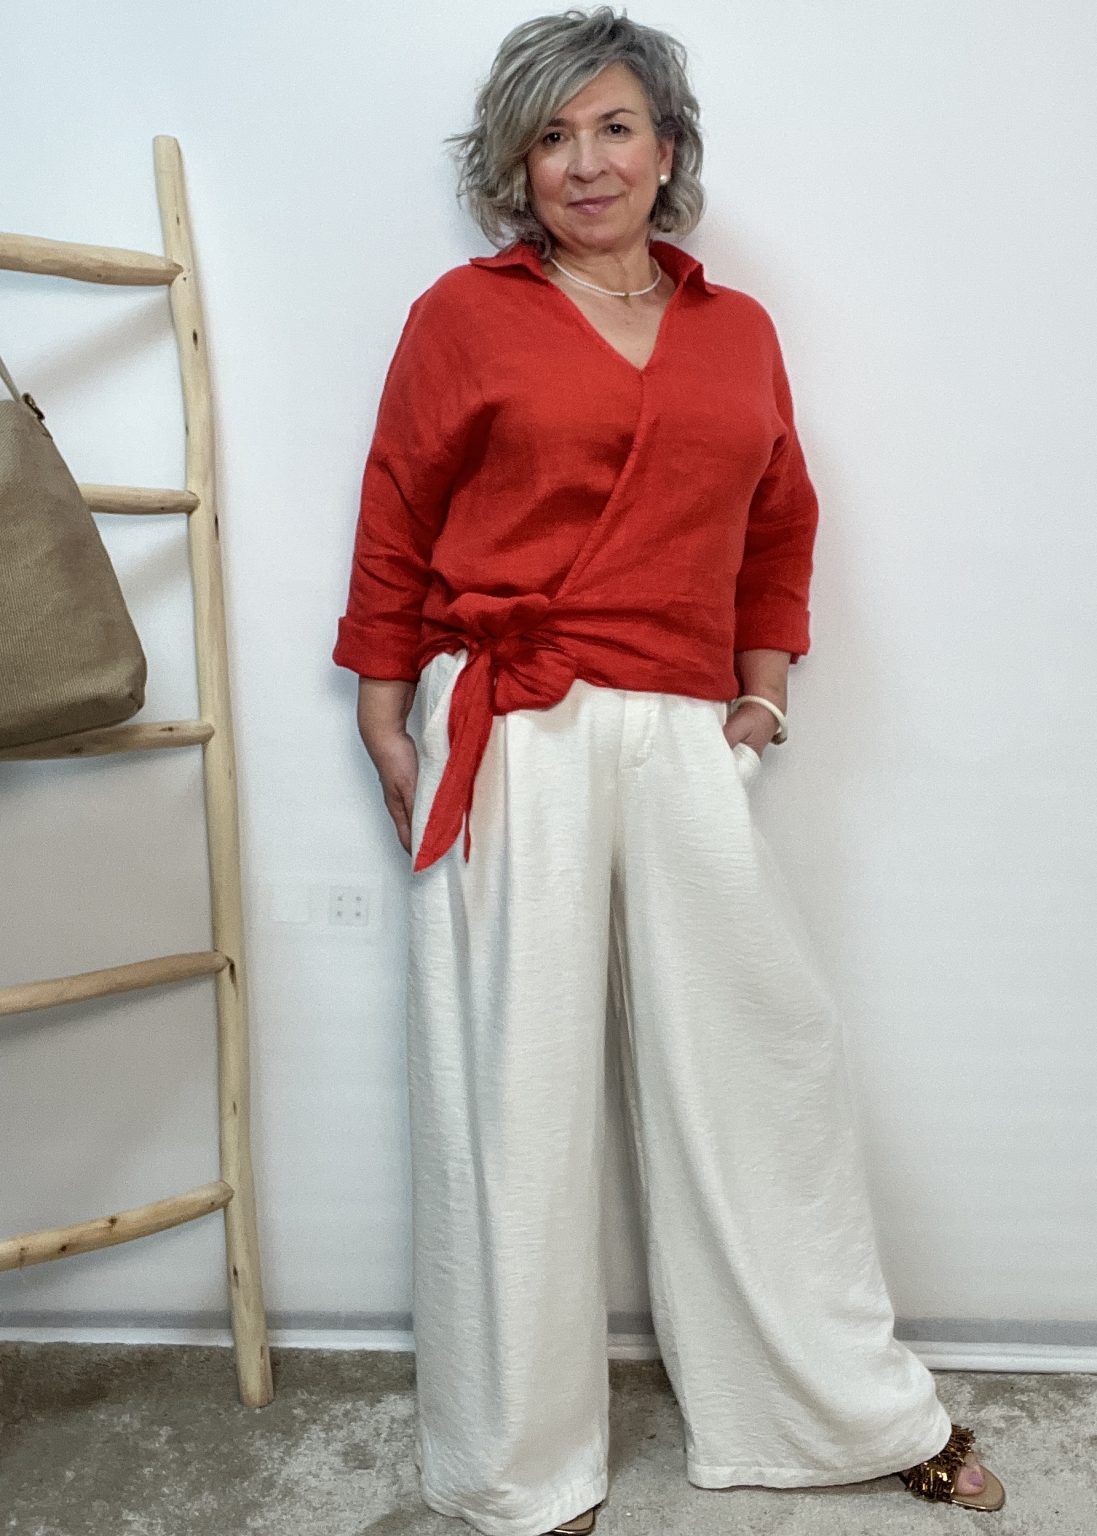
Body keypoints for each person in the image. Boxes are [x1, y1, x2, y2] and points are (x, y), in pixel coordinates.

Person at [332, 8, 1006, 1533]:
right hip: (512, 716)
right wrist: (384, 706)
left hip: (683, 721)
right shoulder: (463, 316)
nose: (583, 162)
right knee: (513, 1088)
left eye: (613, 127)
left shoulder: (735, 330)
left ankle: (834, 1410)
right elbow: (396, 509)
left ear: (666, 147)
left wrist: (762, 689)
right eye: (550, 136)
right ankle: (523, 1462)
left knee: (762, 1060)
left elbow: (779, 520)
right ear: (514, 163)